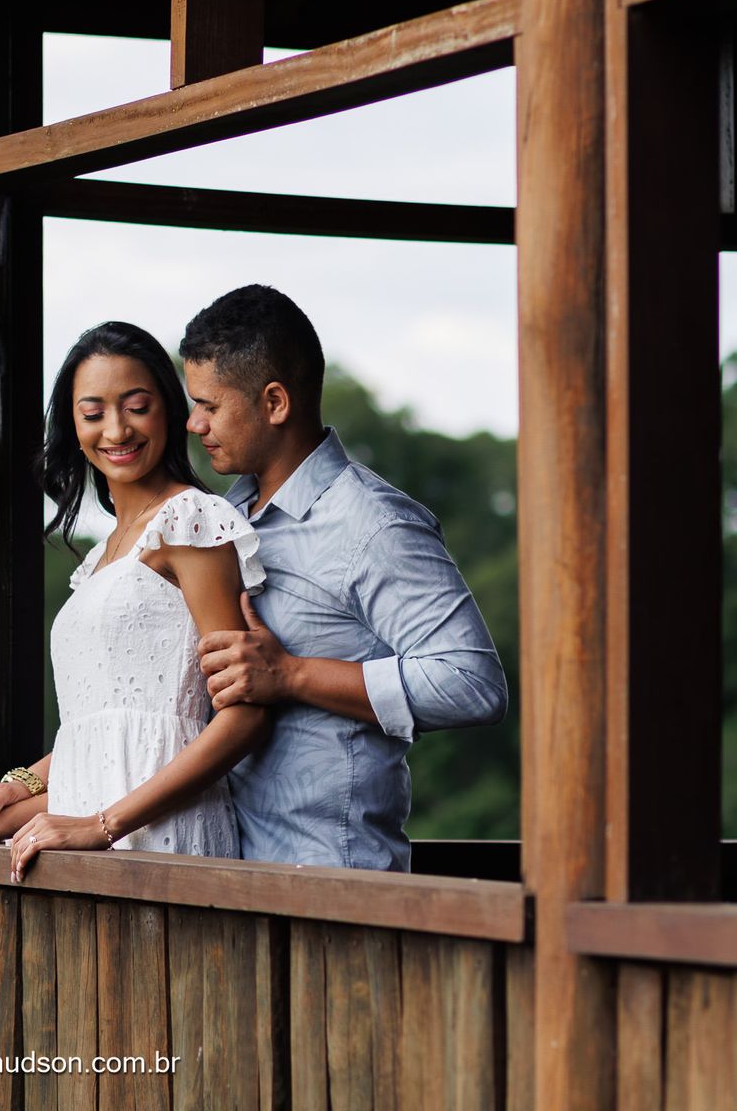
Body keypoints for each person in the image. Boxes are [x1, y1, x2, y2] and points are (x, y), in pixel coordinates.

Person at [0, 321, 270, 889]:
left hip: (162, 839)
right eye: (93, 413)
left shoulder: (190, 522)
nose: (117, 429)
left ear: (169, 409)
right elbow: (102, 736)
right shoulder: (101, 557)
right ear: (74, 426)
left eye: (136, 406)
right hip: (88, 842)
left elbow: (245, 715)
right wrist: (4, 805)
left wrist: (101, 825)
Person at [182, 284, 507, 871]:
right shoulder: (220, 521)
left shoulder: (373, 525)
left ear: (275, 402)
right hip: (229, 876)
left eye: (208, 405)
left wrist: (292, 675)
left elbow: (472, 682)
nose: (192, 423)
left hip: (336, 887)